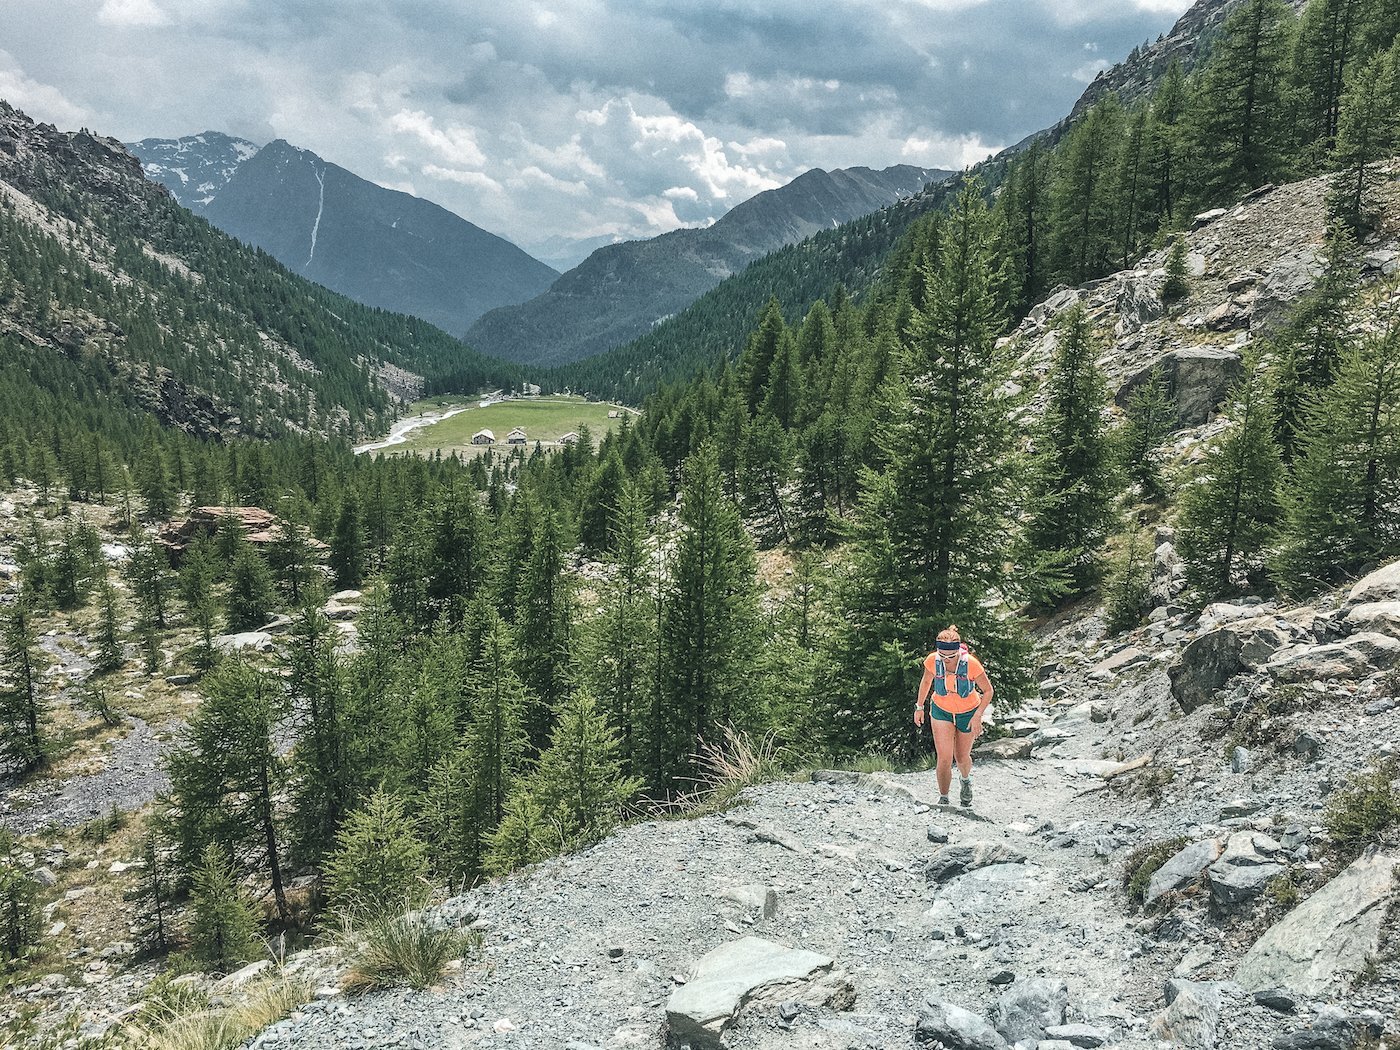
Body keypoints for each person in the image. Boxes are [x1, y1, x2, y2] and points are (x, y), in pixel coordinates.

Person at [914, 625, 994, 807]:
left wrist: (978, 716)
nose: (947, 661)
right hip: (941, 710)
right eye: (943, 656)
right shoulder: (932, 661)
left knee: (962, 757)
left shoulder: (971, 664)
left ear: (958, 652)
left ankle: (965, 780)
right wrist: (919, 707)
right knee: (944, 757)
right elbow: (926, 681)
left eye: (951, 657)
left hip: (968, 712)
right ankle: (944, 798)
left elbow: (988, 691)